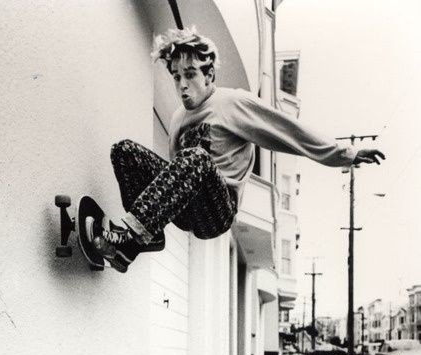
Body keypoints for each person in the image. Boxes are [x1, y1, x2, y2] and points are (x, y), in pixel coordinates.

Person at [93, 27, 385, 273]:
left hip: (217, 210)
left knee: (196, 158)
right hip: (186, 210)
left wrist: (344, 153)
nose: (183, 86)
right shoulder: (178, 118)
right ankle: (148, 236)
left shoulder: (232, 103)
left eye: (191, 74)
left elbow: (287, 130)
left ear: (209, 76)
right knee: (125, 151)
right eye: (176, 76)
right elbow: (171, 172)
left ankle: (130, 239)